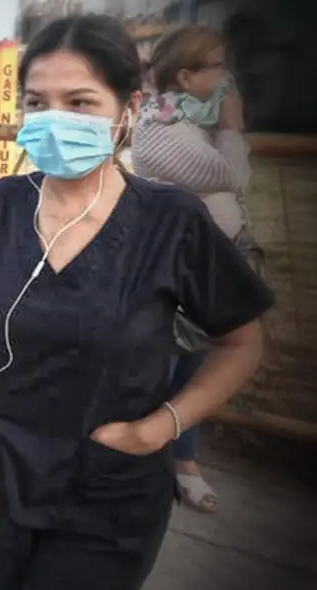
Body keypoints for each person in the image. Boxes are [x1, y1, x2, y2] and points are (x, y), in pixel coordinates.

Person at [0, 15, 273, 590]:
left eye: (79, 102)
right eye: (37, 103)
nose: (54, 120)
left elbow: (242, 342)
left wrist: (159, 430)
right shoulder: (1, 206)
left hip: (109, 494)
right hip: (5, 477)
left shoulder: (168, 220)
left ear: (128, 108)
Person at [131, 25, 261, 513]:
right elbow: (232, 176)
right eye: (219, 67)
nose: (227, 78)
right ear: (185, 77)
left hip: (203, 269)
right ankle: (147, 460)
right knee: (161, 372)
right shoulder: (162, 128)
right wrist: (231, 126)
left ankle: (181, 459)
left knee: (194, 369)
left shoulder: (183, 121)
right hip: (173, 272)